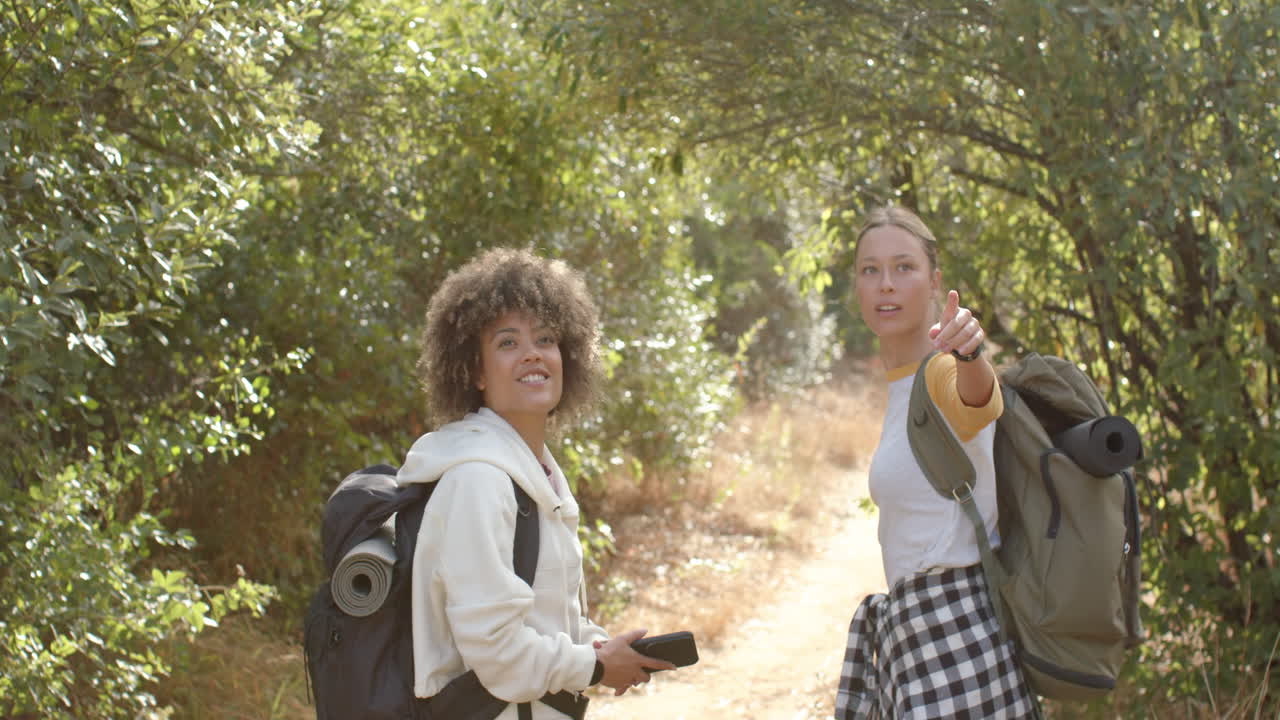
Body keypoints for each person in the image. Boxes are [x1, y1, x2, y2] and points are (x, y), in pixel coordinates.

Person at [397, 247, 673, 719]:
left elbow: (542, 618)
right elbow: (499, 655)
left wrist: (600, 647)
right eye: (507, 342)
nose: (532, 353)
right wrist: (596, 666)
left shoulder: (532, 469)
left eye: (545, 338)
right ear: (476, 371)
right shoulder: (478, 479)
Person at [834, 206, 1038, 719]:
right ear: (856, 286)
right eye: (870, 270)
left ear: (934, 282)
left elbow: (978, 401)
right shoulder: (903, 383)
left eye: (904, 267)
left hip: (958, 637)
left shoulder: (943, 370)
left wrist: (970, 353)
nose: (886, 285)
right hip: (919, 639)